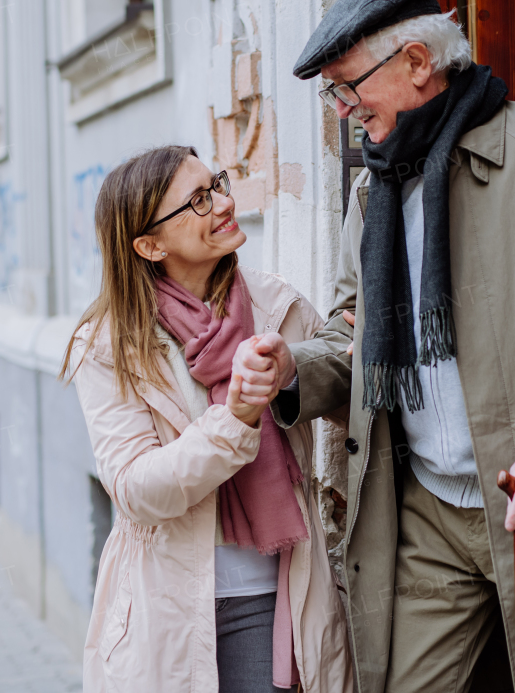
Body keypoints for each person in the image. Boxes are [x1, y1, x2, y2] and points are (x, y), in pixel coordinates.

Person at [232, 0, 515, 693]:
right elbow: (357, 335)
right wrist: (293, 369)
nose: (342, 108)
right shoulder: (374, 190)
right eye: (332, 93)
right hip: (427, 514)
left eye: (349, 86)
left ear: (417, 62)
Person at [63, 145, 353, 693]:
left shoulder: (279, 309)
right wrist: (237, 417)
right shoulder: (109, 343)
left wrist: (301, 375)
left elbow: (348, 414)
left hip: (275, 598)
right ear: (149, 245)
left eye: (216, 184)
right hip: (164, 611)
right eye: (198, 200)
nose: (223, 202)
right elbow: (136, 490)